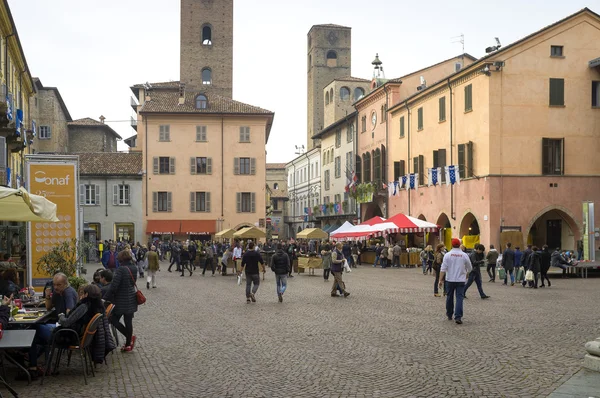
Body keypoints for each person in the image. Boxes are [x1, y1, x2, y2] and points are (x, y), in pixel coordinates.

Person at [26, 273, 79, 378]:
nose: (55, 287)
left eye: (59, 285)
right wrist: (47, 296)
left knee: (34, 329)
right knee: (35, 333)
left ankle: (34, 364)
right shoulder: (57, 292)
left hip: (64, 331)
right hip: (59, 327)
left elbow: (69, 316)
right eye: (54, 284)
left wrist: (60, 320)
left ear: (65, 283)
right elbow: (49, 307)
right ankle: (34, 363)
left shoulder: (68, 293)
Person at [104, 250, 138, 352]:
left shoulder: (121, 269)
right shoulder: (134, 268)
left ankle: (129, 338)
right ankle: (128, 343)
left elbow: (114, 286)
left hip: (120, 300)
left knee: (113, 320)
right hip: (131, 298)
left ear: (121, 259)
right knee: (128, 321)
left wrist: (105, 298)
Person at [439, 238, 472, 324]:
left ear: (452, 245)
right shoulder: (464, 255)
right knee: (459, 297)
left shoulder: (447, 255)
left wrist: (440, 280)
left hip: (450, 279)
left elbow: (443, 269)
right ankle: (458, 316)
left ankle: (449, 314)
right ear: (459, 245)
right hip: (460, 279)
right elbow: (470, 267)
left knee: (449, 296)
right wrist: (467, 273)